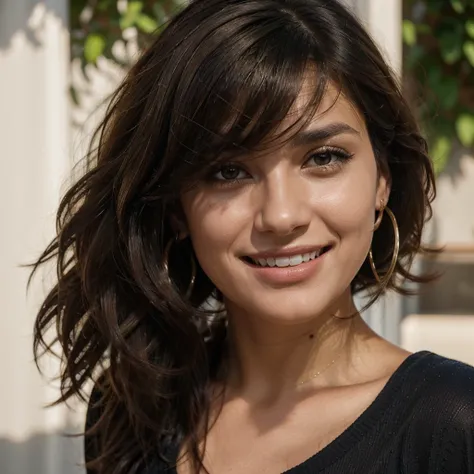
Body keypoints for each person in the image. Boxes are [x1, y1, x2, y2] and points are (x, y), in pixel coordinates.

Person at [31, 0, 474, 473]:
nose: (281, 216)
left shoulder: (454, 425)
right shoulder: (130, 411)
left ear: (382, 179)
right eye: (228, 171)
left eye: (323, 157)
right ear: (175, 208)